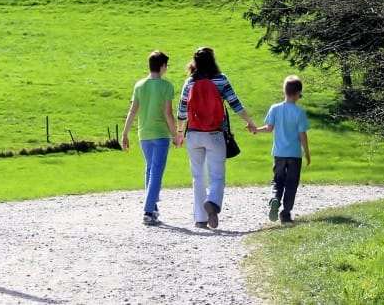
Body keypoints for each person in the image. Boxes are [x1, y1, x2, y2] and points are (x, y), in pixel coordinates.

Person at [176, 47, 256, 229]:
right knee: (217, 175)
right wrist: (250, 122)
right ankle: (212, 203)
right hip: (215, 133)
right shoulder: (221, 79)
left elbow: (181, 110)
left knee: (198, 177)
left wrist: (179, 132)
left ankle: (200, 219)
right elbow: (235, 104)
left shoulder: (190, 82)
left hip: (194, 134)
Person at [121, 50, 180, 226]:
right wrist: (175, 134)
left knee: (149, 169)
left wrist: (124, 133)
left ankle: (152, 207)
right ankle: (148, 210)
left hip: (144, 134)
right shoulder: (166, 87)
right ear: (162, 66)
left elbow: (133, 111)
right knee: (156, 172)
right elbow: (168, 114)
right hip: (160, 134)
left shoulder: (139, 85)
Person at [253, 75, 311, 224]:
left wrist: (256, 130)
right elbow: (302, 135)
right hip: (294, 155)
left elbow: (268, 128)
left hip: (279, 154)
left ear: (284, 91)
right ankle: (285, 214)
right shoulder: (299, 113)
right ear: (298, 93)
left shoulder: (275, 108)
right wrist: (307, 153)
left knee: (277, 181)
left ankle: (275, 199)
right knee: (291, 184)